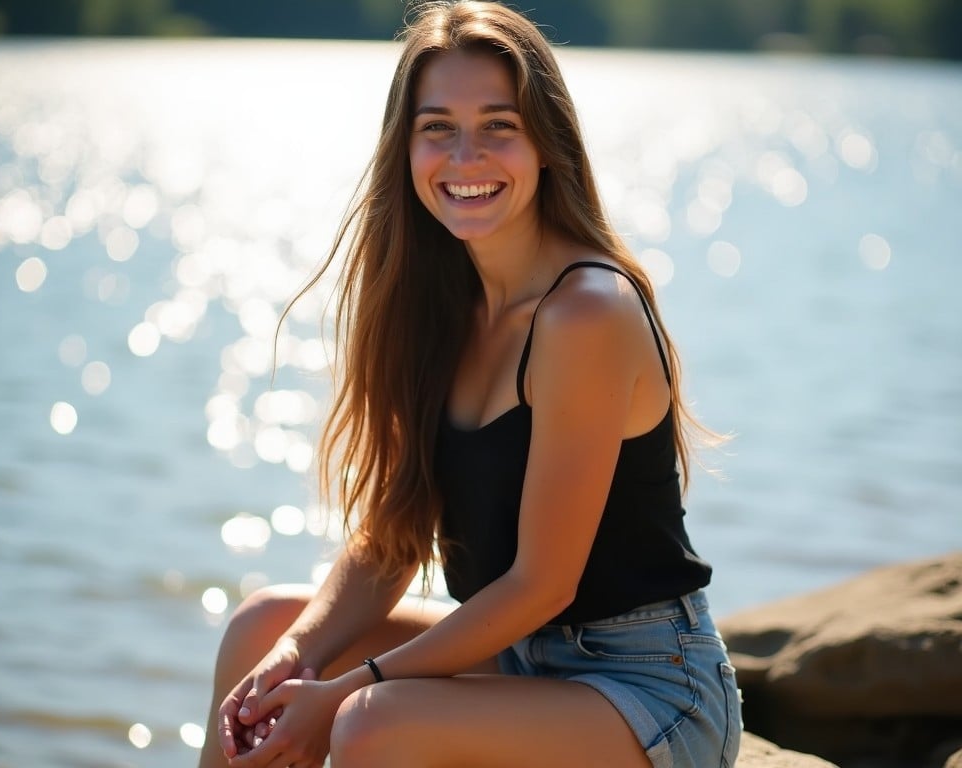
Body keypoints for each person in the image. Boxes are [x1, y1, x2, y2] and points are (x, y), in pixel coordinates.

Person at [198, 1, 741, 766]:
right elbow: (394, 532)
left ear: (546, 142)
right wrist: (297, 654)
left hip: (646, 686)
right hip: (519, 662)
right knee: (260, 630)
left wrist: (348, 686)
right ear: (406, 147)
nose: (465, 157)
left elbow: (542, 586)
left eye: (497, 126)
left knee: (368, 720)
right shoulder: (443, 304)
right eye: (437, 128)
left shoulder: (586, 312)